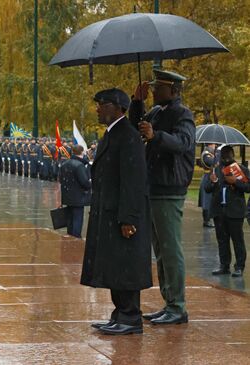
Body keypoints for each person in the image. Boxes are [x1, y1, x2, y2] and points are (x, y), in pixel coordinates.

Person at [82, 88, 151, 336]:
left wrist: (128, 218)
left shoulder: (128, 136)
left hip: (122, 215)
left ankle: (131, 317)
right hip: (109, 213)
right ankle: (119, 314)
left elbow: (133, 181)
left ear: (118, 107)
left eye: (102, 104)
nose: (98, 108)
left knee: (126, 267)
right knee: (115, 266)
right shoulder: (114, 134)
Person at [130, 69, 195, 325]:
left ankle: (178, 306)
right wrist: (137, 102)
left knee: (170, 249)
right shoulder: (157, 112)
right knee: (160, 251)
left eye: (159, 87)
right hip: (154, 186)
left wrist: (156, 136)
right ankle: (169, 302)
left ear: (174, 90)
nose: (154, 91)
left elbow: (183, 142)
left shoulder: (182, 114)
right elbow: (137, 126)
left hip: (170, 188)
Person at [205, 145, 249, 277]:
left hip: (235, 211)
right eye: (223, 156)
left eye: (228, 156)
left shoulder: (241, 169)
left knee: (237, 240)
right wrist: (212, 182)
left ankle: (239, 267)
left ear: (232, 155)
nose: (225, 159)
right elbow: (207, 189)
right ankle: (224, 265)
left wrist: (236, 182)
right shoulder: (216, 170)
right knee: (222, 240)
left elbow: (248, 187)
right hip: (219, 211)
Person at [59, 145, 91, 238]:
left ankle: (70, 236)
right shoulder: (80, 165)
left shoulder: (65, 163)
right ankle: (76, 238)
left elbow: (60, 179)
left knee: (70, 219)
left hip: (67, 196)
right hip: (78, 197)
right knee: (77, 219)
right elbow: (84, 182)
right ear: (81, 152)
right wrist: (90, 184)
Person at [199, 143, 217, 228]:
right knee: (206, 200)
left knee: (210, 199)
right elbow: (212, 162)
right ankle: (206, 220)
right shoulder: (206, 154)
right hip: (207, 178)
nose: (215, 146)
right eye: (213, 144)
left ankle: (209, 219)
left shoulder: (211, 154)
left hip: (210, 177)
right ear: (210, 144)